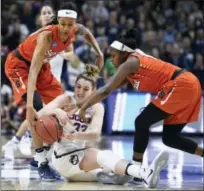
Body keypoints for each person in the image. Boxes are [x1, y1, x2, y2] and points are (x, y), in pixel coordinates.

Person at [78, 29, 204, 177]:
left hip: (181, 84)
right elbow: (109, 89)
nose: (111, 60)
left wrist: (83, 108)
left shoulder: (131, 62)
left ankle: (137, 169)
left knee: (141, 121)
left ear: (124, 53)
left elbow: (105, 90)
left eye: (113, 56)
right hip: (188, 85)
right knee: (170, 138)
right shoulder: (127, 68)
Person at [4, 2, 104, 181]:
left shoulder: (75, 28)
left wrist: (99, 53)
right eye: (63, 24)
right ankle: (40, 162)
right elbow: (33, 68)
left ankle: (47, 147)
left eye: (69, 24)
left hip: (42, 67)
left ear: (74, 23)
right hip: (19, 65)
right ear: (58, 21)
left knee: (64, 103)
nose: (66, 28)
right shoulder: (47, 36)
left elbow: (87, 33)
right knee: (35, 105)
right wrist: (28, 106)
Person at [28, 64, 169, 188]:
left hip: (78, 163)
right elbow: (35, 117)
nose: (80, 92)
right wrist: (56, 110)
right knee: (103, 156)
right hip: (63, 156)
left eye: (85, 89)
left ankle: (119, 176)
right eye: (78, 87)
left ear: (93, 91)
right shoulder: (65, 99)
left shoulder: (97, 107)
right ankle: (144, 173)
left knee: (110, 165)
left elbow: (95, 134)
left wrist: (75, 135)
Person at [2, 1, 81, 158]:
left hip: (46, 74)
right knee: (37, 108)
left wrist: (93, 56)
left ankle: (44, 146)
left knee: (61, 110)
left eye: (48, 12)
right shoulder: (43, 36)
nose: (46, 15)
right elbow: (32, 71)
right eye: (43, 13)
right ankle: (27, 142)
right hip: (22, 67)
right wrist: (30, 105)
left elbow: (73, 55)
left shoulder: (69, 33)